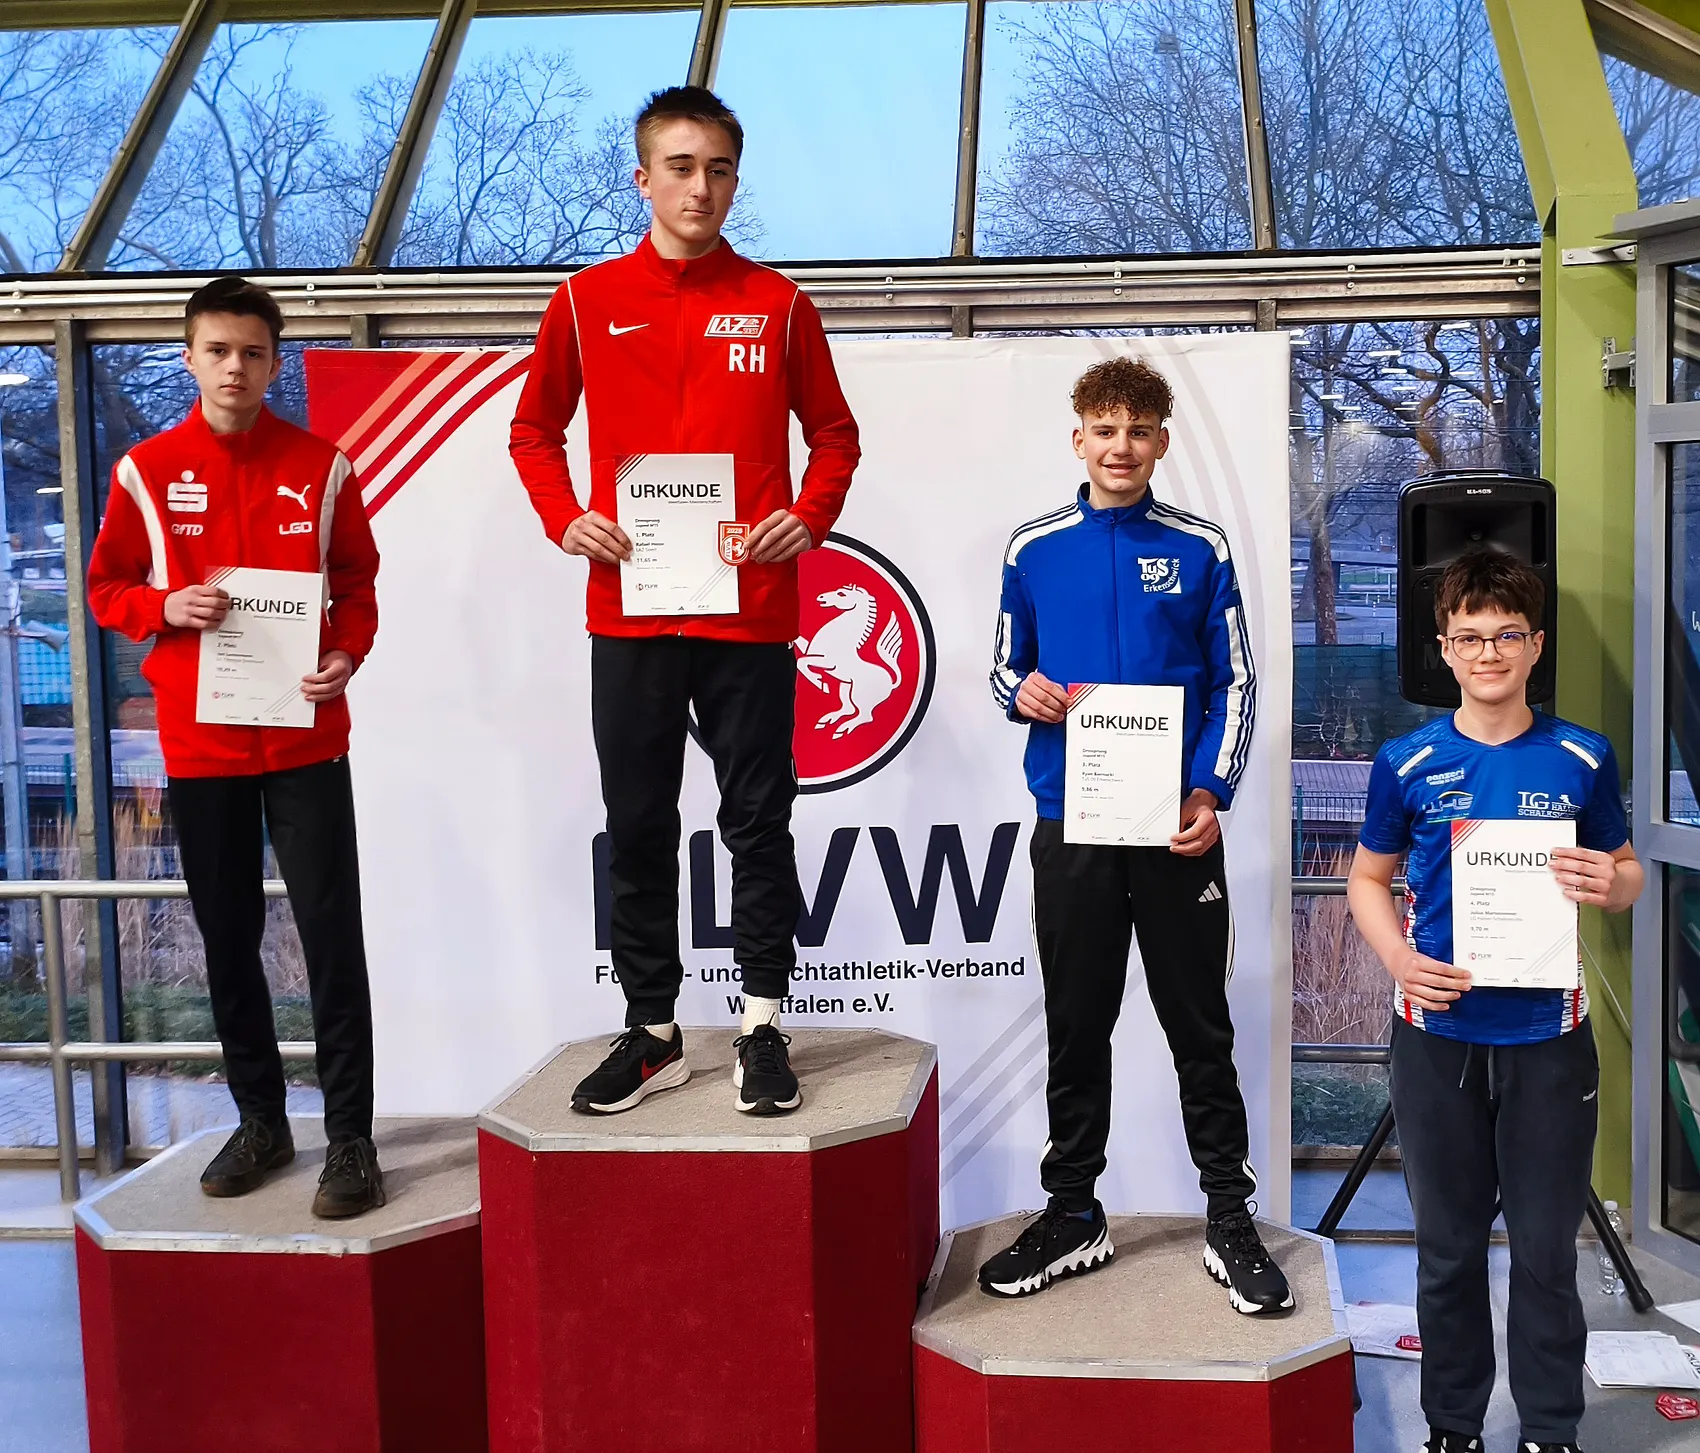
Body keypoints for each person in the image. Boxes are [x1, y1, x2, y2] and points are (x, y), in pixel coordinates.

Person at [509, 86, 860, 1117]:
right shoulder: (583, 301)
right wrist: (566, 517)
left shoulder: (779, 304)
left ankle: (761, 1024)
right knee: (638, 822)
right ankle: (653, 1031)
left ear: (734, 181)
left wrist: (808, 515)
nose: (698, 186)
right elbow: (533, 431)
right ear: (643, 178)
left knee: (758, 820)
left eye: (716, 169)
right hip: (629, 612)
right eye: (679, 166)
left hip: (748, 609)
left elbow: (834, 435)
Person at [977, 356, 1291, 1313]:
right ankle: (1074, 1210)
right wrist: (1024, 693)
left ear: (1162, 441)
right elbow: (1005, 666)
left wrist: (1210, 790)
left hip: (1176, 829)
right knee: (1077, 1023)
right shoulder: (1033, 548)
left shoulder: (1201, 547)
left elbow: (1235, 679)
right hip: (1071, 825)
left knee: (1199, 1024)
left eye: (1139, 431)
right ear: (1078, 438)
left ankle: (1229, 1214)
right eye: (1105, 430)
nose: (1122, 447)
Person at [87, 276, 385, 1219]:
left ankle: (351, 1137)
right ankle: (262, 1120)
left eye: (253, 352)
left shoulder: (323, 467)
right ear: (190, 357)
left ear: (273, 361)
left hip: (306, 741)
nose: (235, 368)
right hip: (201, 746)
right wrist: (163, 605)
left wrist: (345, 652)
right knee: (227, 939)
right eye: (217, 350)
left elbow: (358, 584)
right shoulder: (145, 470)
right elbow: (106, 587)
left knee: (332, 938)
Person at [1348, 548, 1642, 1453]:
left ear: (1535, 645)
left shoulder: (1582, 755)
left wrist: (1613, 882)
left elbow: (1627, 871)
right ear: (1444, 647)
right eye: (1470, 636)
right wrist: (1399, 958)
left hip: (1549, 1040)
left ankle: (1550, 1428)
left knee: (1548, 1252)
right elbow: (1367, 878)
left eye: (1507, 635)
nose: (1488, 653)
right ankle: (1453, 1425)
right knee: (1447, 1251)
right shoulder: (1406, 761)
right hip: (1436, 1035)